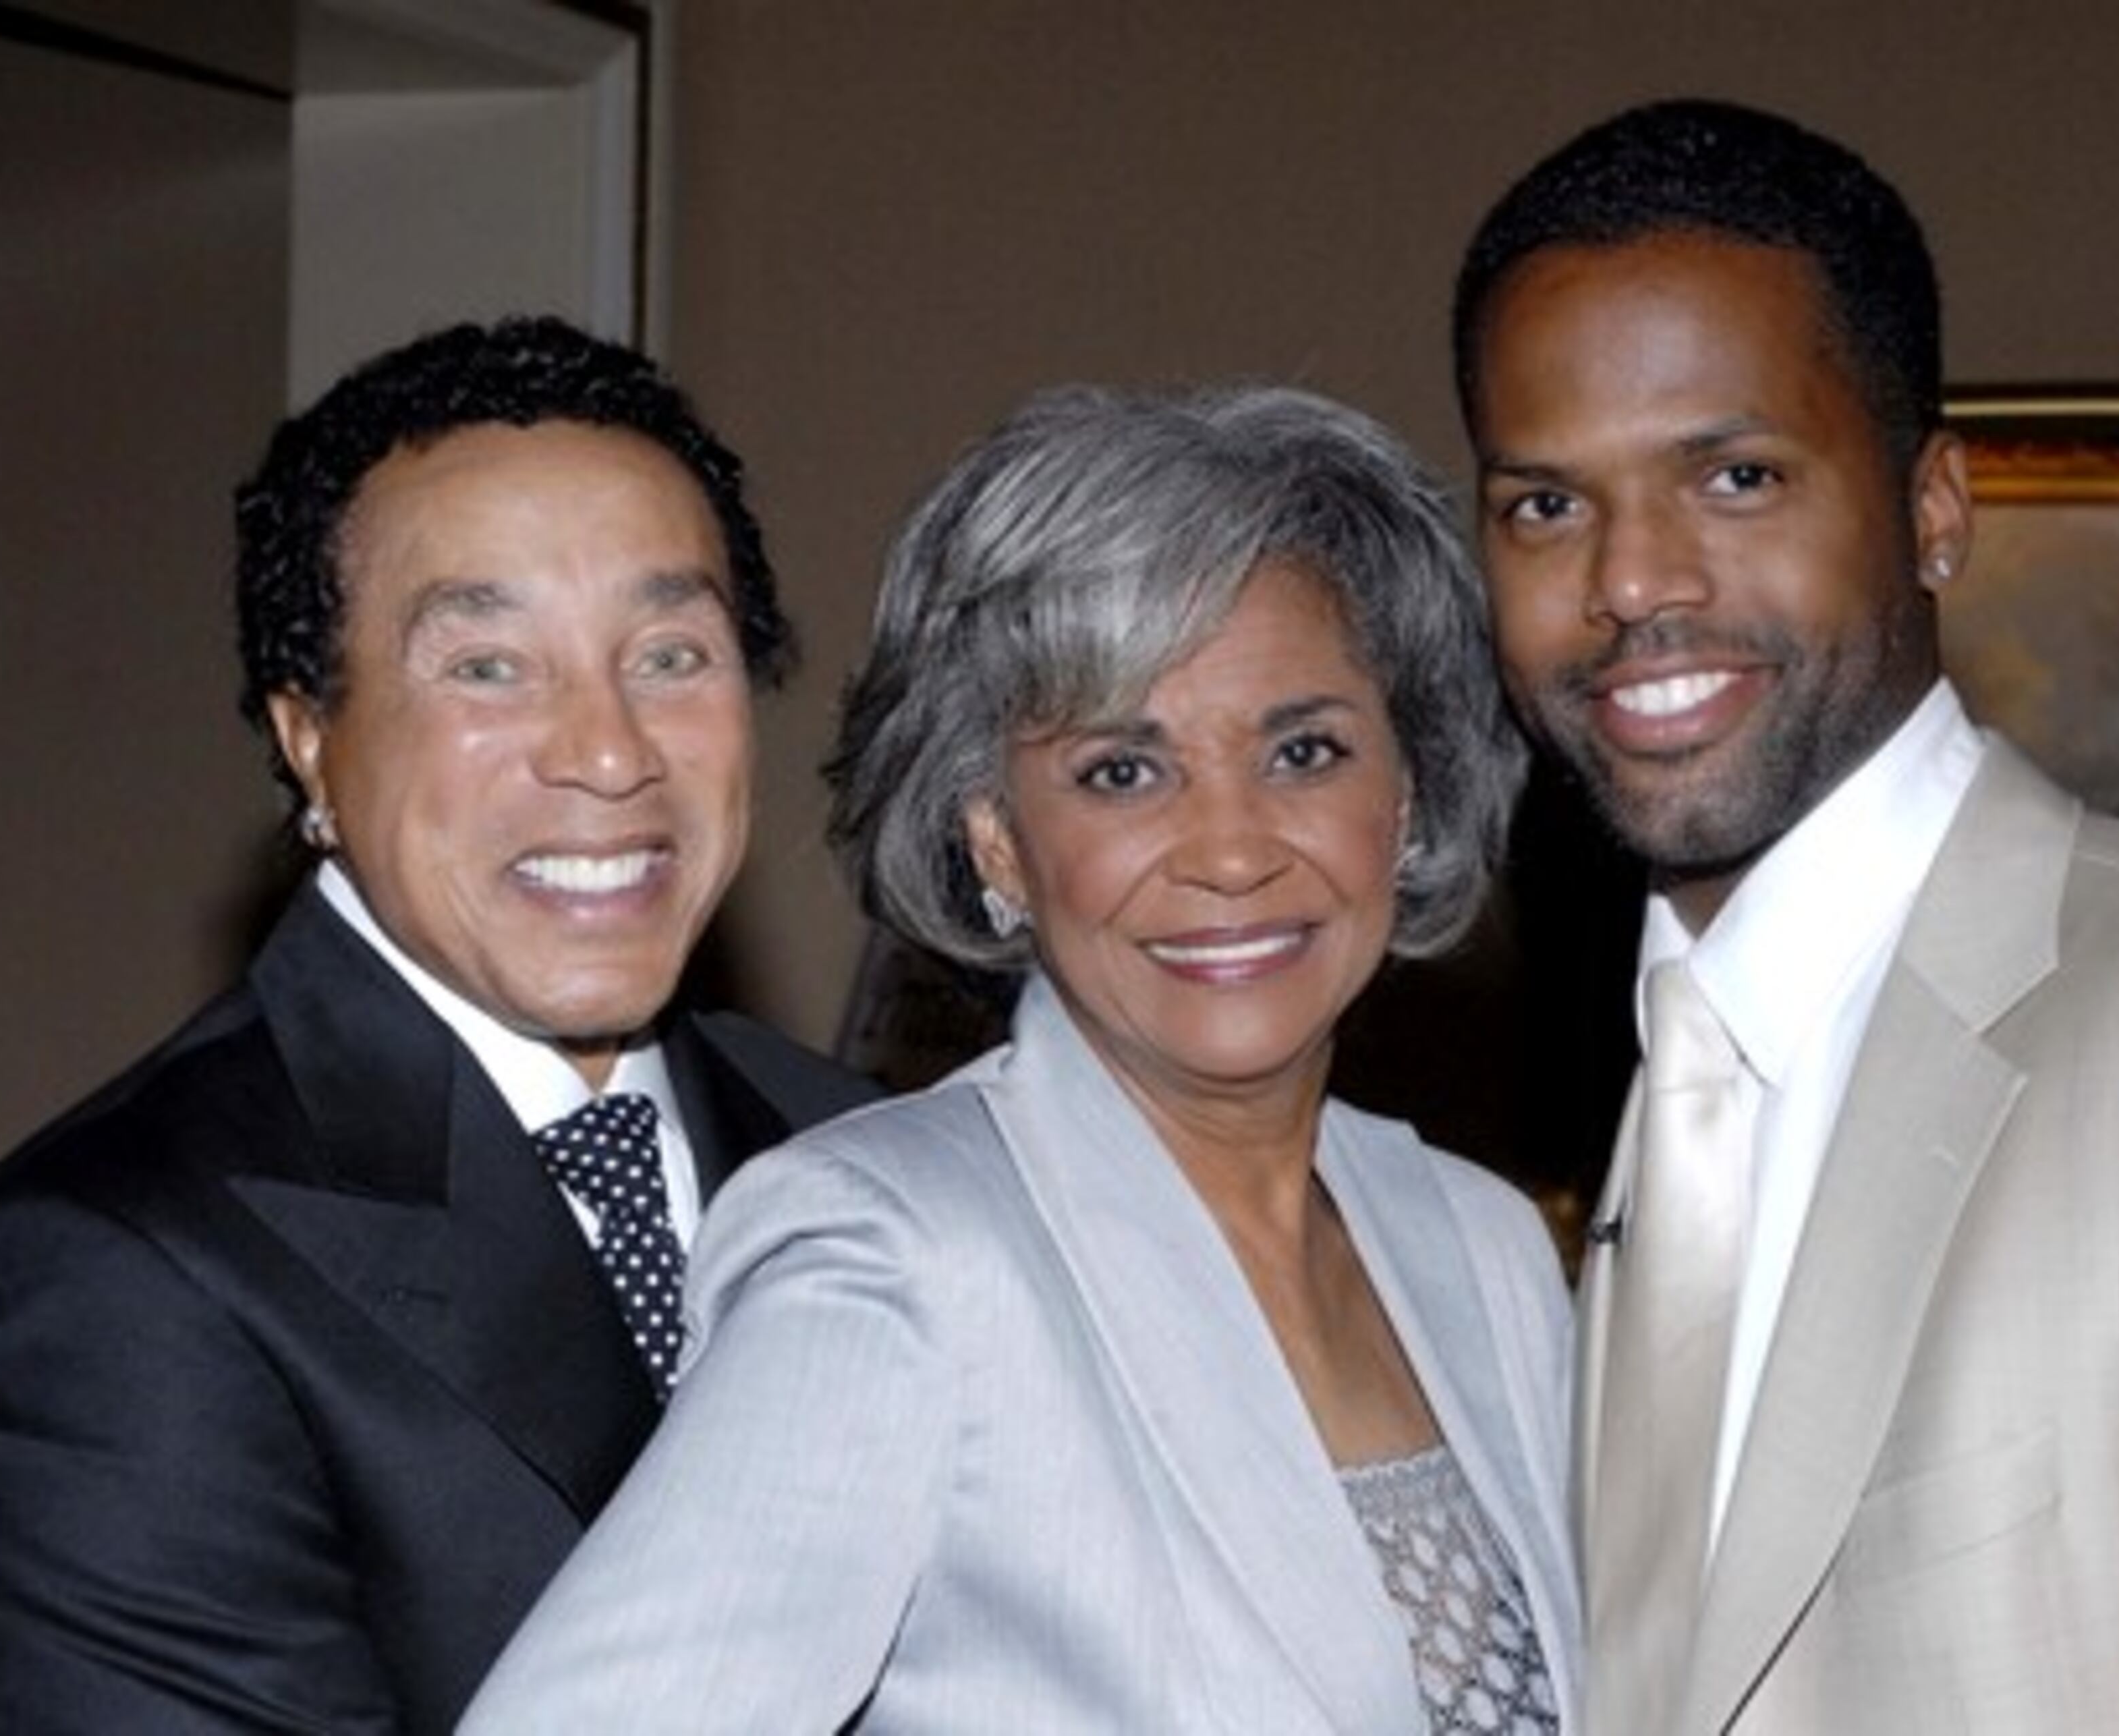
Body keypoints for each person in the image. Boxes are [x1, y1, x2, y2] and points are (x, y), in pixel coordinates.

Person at [1452, 95, 2119, 1735]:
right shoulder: (1664, 1104)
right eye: (1546, 507)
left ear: (1933, 509)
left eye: (1735, 474)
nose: (1633, 581)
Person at [459, 383, 1578, 1733]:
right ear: (996, 837)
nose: (1232, 848)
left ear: (1404, 793)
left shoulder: (1484, 1246)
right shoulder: (898, 1257)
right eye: (1123, 770)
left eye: (1304, 750)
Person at [0, 315, 876, 1733]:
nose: (607, 750)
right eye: (487, 667)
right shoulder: (103, 1283)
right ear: (310, 739)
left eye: (670, 654)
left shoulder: (867, 1153)